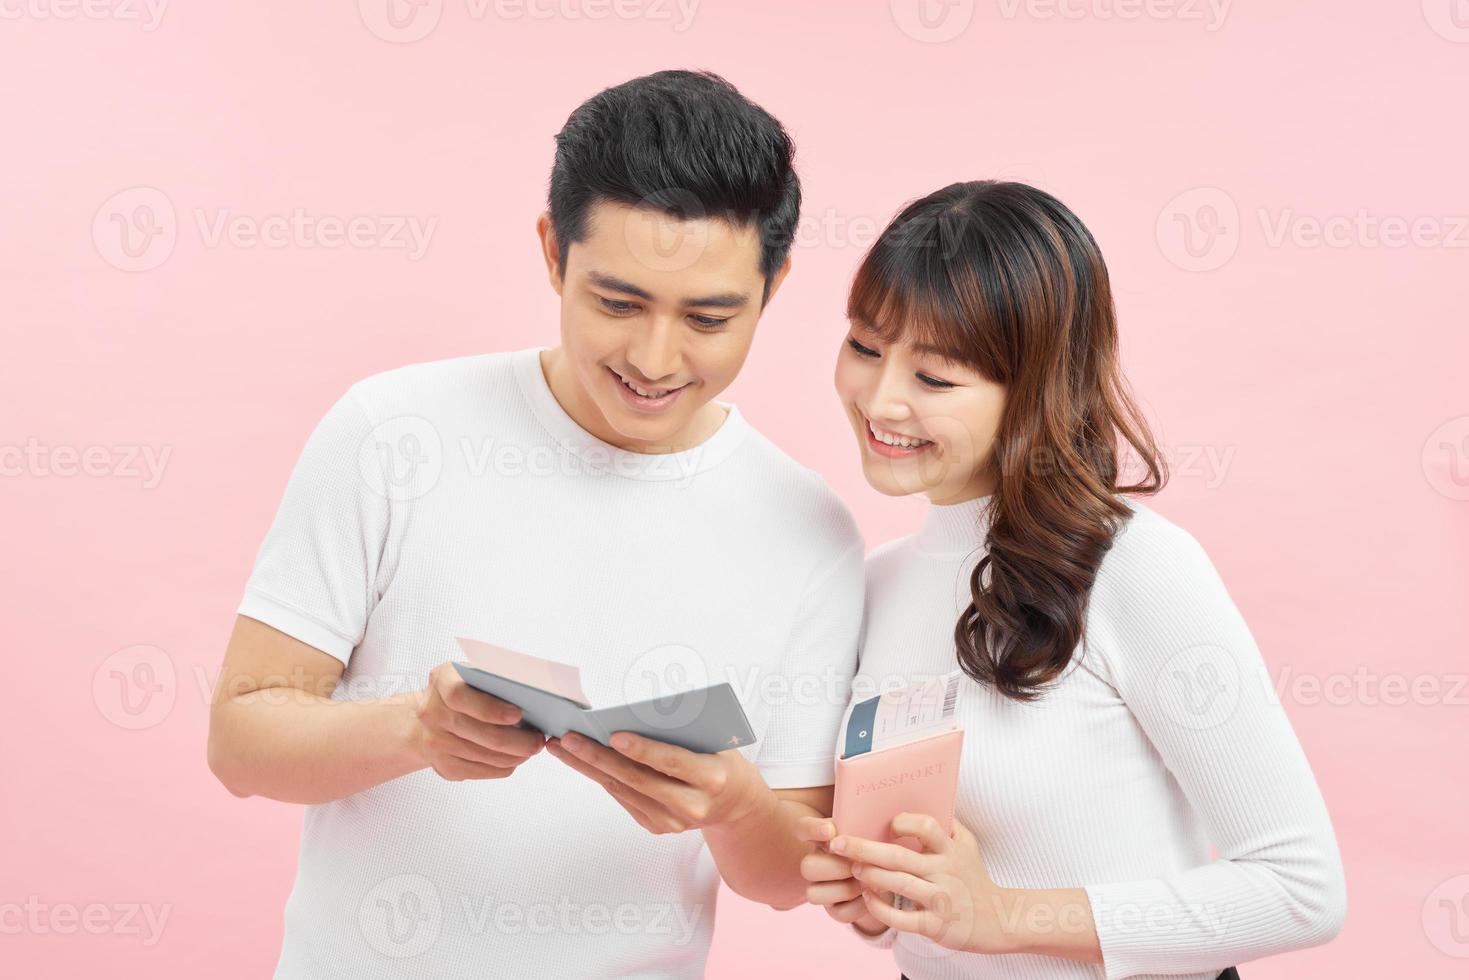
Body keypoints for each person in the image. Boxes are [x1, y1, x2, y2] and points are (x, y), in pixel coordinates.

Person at [207, 70, 864, 979]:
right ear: (554, 253)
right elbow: (242, 741)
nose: (654, 358)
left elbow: (788, 874)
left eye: (709, 318)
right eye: (617, 302)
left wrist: (734, 806)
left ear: (773, 285)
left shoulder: (810, 532)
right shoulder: (395, 433)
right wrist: (415, 732)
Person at [797, 180, 1346, 979]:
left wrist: (1000, 917)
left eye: (936, 378)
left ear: (1035, 388)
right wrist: (884, 898)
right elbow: (940, 921)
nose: (880, 400)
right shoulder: (872, 587)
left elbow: (1301, 889)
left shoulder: (1134, 568)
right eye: (864, 348)